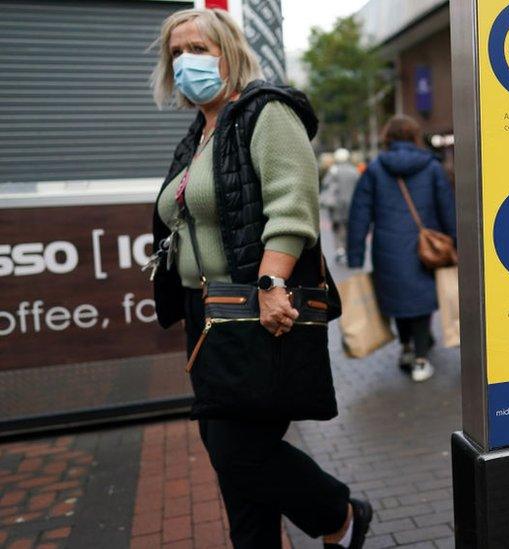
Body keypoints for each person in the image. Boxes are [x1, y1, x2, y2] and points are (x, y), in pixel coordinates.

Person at [148, 8, 371, 548]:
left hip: (253, 307)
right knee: (233, 461)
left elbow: (292, 207)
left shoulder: (263, 111)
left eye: (198, 48)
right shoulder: (198, 133)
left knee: (236, 449)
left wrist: (271, 286)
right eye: (175, 53)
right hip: (207, 315)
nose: (185, 62)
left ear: (229, 52)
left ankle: (338, 510)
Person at [346, 115, 456, 382]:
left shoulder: (374, 169)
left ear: (388, 138)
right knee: (421, 301)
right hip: (423, 249)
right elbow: (447, 209)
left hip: (387, 249)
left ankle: (407, 348)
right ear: (415, 137)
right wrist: (456, 244)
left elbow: (359, 214)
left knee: (397, 300)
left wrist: (355, 255)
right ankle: (420, 359)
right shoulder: (431, 167)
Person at [321, 148, 360, 264]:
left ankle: (340, 250)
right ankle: (349, 249)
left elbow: (325, 185)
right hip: (352, 205)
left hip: (337, 206)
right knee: (350, 228)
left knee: (337, 228)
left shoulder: (333, 170)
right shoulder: (354, 171)